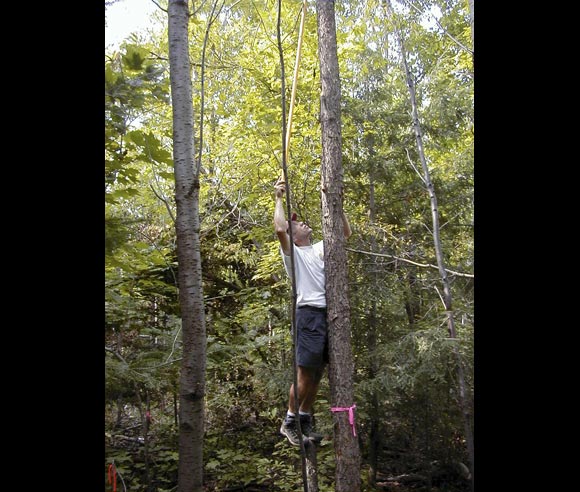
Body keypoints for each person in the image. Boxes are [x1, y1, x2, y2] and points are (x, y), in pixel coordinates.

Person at [273, 176, 352, 446]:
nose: (302, 222)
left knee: (317, 373)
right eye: (297, 222)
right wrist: (279, 198)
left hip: (327, 315)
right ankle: (289, 421)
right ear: (294, 235)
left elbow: (344, 234)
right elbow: (279, 229)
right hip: (308, 314)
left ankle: (304, 418)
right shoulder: (292, 255)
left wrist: (337, 205)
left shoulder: (318, 249)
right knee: (305, 372)